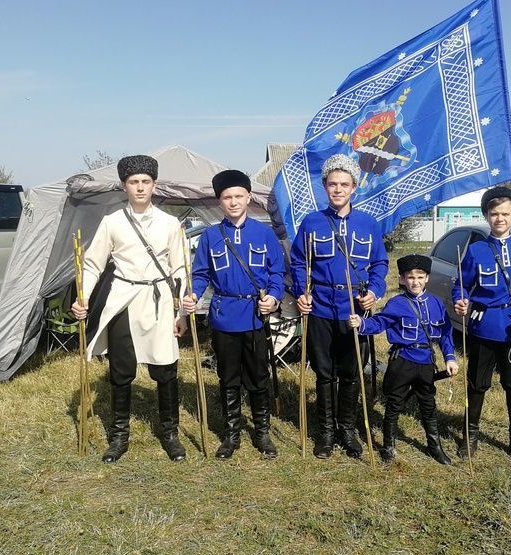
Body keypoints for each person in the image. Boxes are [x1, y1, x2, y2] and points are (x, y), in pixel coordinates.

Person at [71, 155, 188, 463]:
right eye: (134, 182)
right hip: (123, 298)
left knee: (165, 368)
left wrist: (183, 311)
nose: (140, 188)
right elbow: (93, 263)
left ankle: (170, 434)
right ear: (125, 186)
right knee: (121, 371)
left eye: (145, 182)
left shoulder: (169, 223)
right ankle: (119, 436)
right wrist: (82, 296)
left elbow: (180, 268)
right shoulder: (112, 222)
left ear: (154, 185)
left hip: (158, 299)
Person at [290, 154, 388, 460]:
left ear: (354, 188)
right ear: (325, 186)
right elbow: (297, 261)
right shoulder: (312, 222)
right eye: (332, 184)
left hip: (354, 311)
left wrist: (374, 291)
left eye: (344, 184)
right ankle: (326, 433)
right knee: (323, 373)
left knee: (351, 372)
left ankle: (347, 429)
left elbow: (380, 264)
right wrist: (300, 292)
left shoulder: (368, 224)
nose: (338, 189)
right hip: (320, 307)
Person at [182, 170, 284, 460]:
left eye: (239, 196)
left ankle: (262, 433)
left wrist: (274, 298)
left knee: (258, 375)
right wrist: (192, 294)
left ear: (249, 197)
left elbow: (277, 272)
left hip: (255, 314)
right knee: (228, 377)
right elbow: (200, 274)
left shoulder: (264, 233)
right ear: (219, 201)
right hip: (224, 315)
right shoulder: (211, 237)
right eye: (227, 197)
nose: (234, 202)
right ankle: (231, 434)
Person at [452, 186, 511, 467]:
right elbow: (461, 285)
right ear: (486, 216)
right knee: (477, 384)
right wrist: (460, 300)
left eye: (505, 213)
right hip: (484, 327)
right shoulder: (476, 250)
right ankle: (470, 435)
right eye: (494, 214)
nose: (499, 218)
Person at [349, 254, 459, 464]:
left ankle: (434, 446)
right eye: (410, 277)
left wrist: (450, 358)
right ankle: (388, 446)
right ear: (401, 279)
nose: (415, 281)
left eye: (419, 277)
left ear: (427, 278)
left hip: (426, 362)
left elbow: (445, 333)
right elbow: (379, 323)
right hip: (403, 362)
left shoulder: (436, 304)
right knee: (394, 404)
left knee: (428, 405)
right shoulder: (396, 303)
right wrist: (361, 324)